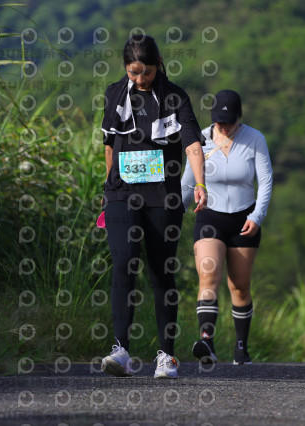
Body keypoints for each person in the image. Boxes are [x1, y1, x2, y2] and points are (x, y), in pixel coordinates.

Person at [100, 34, 207, 379]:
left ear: (158, 64)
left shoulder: (176, 97)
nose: (140, 78)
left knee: (161, 270)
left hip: (162, 195)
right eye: (133, 72)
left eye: (145, 72)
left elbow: (192, 144)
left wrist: (200, 183)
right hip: (121, 191)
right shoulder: (114, 94)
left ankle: (166, 355)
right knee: (124, 261)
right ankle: (120, 350)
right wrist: (108, 186)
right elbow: (109, 144)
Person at [181, 89, 273, 365]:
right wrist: (173, 214)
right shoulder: (201, 139)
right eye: (219, 122)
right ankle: (206, 341)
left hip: (244, 219)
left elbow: (265, 180)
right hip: (210, 217)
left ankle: (241, 347)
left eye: (230, 122)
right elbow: (188, 182)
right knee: (208, 276)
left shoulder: (255, 139)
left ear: (239, 117)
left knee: (240, 286)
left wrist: (257, 216)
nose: (224, 127)